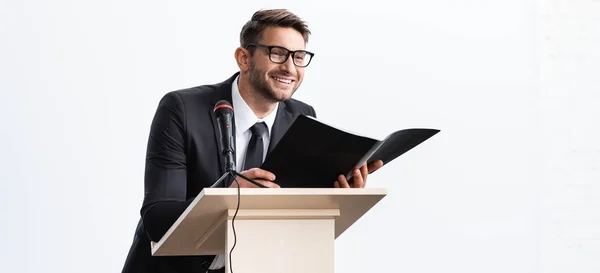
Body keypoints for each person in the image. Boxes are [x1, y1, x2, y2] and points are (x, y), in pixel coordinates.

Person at [121, 9, 383, 273]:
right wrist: (226, 195)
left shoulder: (303, 118)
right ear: (244, 58)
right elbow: (157, 218)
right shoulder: (181, 109)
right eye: (277, 53)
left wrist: (333, 198)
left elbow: (294, 220)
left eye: (299, 57)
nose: (290, 68)